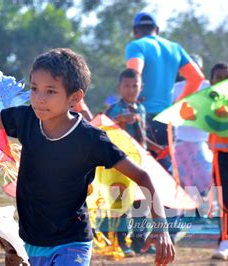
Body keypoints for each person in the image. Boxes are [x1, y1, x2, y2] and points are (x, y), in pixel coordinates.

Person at [0, 48, 175, 265]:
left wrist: (160, 227)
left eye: (50, 91)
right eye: (34, 88)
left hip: (72, 241)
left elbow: (143, 176)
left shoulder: (91, 140)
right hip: (31, 241)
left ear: (74, 98)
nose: (39, 99)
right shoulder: (25, 119)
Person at [125, 12, 204, 170]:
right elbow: (197, 78)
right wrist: (177, 104)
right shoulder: (175, 48)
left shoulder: (137, 46)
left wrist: (131, 99)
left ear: (135, 31)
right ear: (157, 29)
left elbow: (134, 74)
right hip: (167, 120)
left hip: (142, 117)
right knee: (164, 172)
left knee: (139, 171)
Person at [104, 68, 166, 256]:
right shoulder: (114, 109)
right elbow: (104, 129)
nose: (131, 89)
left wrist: (155, 147)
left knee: (141, 203)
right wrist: (118, 120)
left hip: (141, 162)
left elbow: (143, 135)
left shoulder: (141, 108)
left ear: (141, 87)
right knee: (121, 204)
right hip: (122, 164)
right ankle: (121, 242)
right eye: (127, 86)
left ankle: (141, 241)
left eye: (135, 86)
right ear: (119, 87)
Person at [172, 55, 212, 196]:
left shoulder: (208, 87)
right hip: (182, 142)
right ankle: (188, 214)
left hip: (203, 141)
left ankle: (199, 213)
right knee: (184, 182)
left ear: (200, 69)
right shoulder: (176, 88)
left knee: (205, 180)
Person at [208, 62, 228, 261]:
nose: (224, 81)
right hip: (221, 156)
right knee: (224, 202)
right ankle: (224, 242)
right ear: (212, 81)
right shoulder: (207, 100)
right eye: (219, 77)